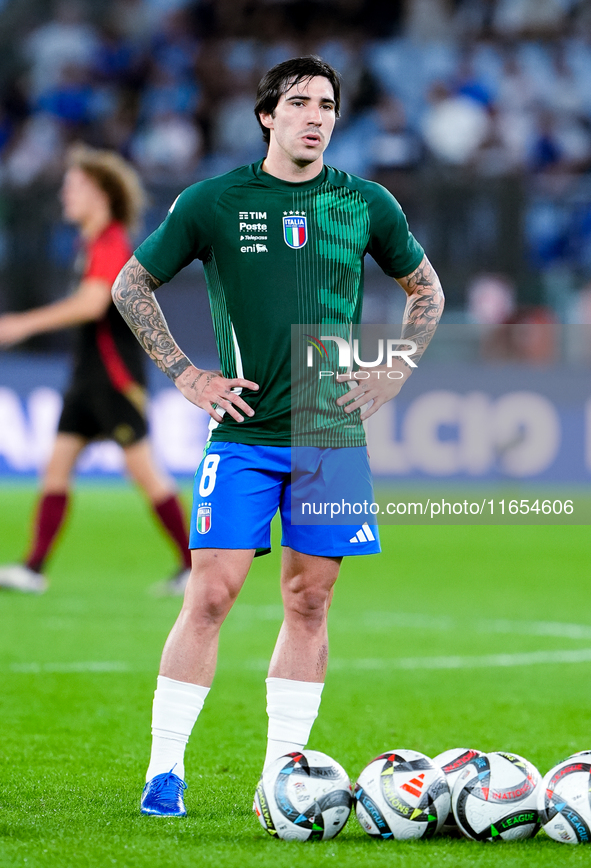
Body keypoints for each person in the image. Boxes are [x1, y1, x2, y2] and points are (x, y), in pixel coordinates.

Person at [111, 56, 445, 817]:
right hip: (245, 435)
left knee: (310, 601)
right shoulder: (216, 201)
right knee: (210, 595)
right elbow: (130, 284)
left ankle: (281, 777)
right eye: (299, 102)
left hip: (330, 437)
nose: (316, 116)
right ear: (267, 115)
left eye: (326, 104)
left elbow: (424, 287)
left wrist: (394, 370)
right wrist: (186, 374)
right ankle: (165, 771)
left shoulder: (365, 203)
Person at [0, 144, 191, 594]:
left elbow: (91, 305)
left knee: (146, 474)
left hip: (113, 378)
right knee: (55, 469)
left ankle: (192, 567)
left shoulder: (110, 243)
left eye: (74, 187)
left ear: (100, 194)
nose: (65, 195)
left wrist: (20, 324)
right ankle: (33, 568)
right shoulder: (88, 244)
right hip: (87, 378)